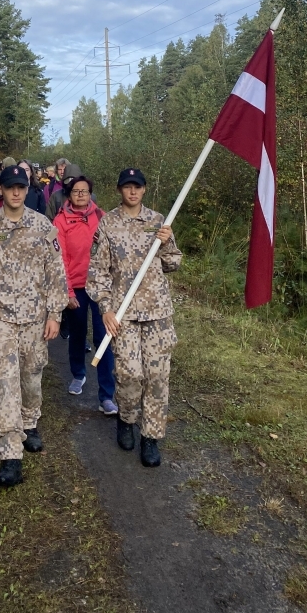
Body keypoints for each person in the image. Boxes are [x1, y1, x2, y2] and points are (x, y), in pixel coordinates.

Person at [0, 164, 67, 488]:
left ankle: (31, 422)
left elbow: (56, 272)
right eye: (9, 187)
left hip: (35, 319)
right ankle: (10, 455)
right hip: (1, 321)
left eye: (20, 187)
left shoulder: (43, 227)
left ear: (27, 190)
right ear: (1, 189)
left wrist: (55, 314)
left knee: (31, 379)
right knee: (5, 385)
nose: (15, 192)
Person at [87, 168, 182, 468]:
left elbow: (173, 263)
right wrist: (105, 307)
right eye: (127, 187)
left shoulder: (158, 222)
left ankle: (150, 437)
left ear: (144, 190)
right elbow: (97, 272)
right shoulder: (108, 224)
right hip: (123, 315)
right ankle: (126, 419)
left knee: (156, 378)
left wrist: (166, 243)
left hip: (157, 313)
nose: (132, 192)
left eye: (137, 187)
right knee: (129, 375)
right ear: (119, 190)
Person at [53, 174, 117, 415]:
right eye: (76, 191)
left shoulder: (102, 217)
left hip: (100, 288)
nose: (81, 195)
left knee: (104, 338)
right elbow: (60, 259)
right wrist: (67, 291)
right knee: (78, 335)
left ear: (91, 194)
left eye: (85, 191)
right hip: (76, 287)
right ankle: (78, 374)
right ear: (69, 195)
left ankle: (106, 395)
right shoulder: (60, 221)